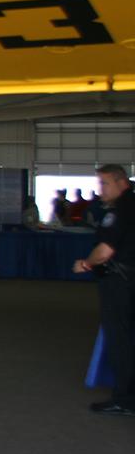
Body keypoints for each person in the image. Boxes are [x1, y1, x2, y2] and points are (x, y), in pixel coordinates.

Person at [73, 164, 135, 415]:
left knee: (119, 338)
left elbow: (105, 250)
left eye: (105, 183)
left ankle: (125, 398)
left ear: (122, 183)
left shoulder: (120, 210)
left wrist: (86, 263)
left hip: (121, 281)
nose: (101, 189)